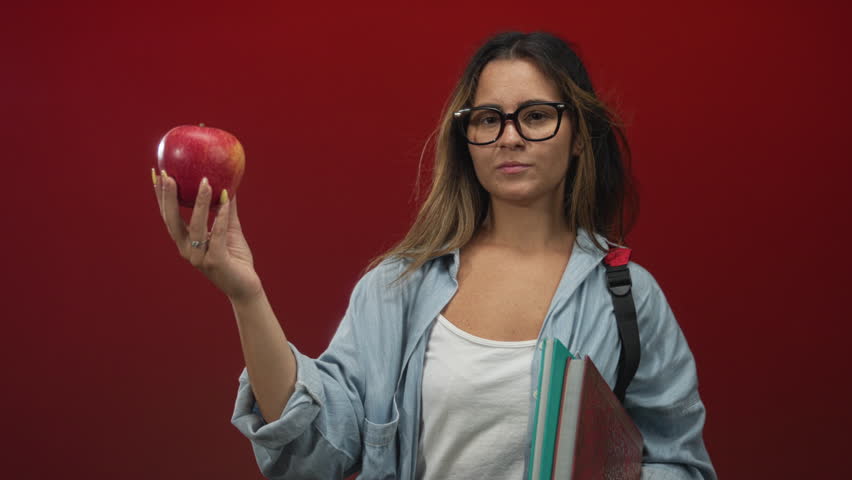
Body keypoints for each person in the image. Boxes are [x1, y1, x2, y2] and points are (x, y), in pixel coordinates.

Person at [153, 31, 716, 480]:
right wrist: (245, 293)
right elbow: (312, 454)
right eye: (489, 119)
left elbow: (682, 465)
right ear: (466, 139)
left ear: (578, 136)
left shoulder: (629, 297)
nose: (509, 137)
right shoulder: (397, 286)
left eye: (537, 115)